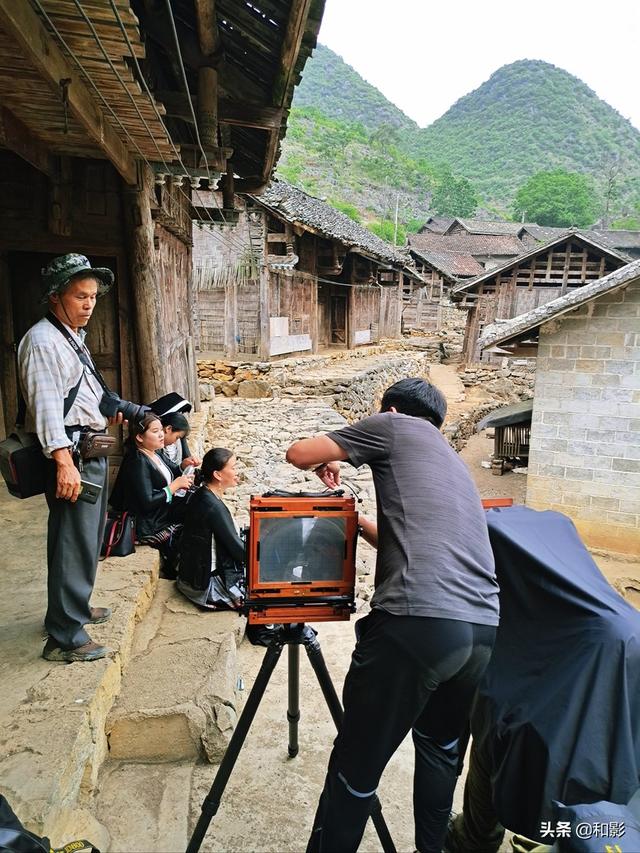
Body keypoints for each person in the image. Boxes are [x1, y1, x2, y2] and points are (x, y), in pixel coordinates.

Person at [285, 378, 500, 853]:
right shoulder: (451, 464)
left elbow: (298, 453)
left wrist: (336, 453)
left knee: (356, 765)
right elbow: (406, 539)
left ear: (392, 408)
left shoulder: (393, 425)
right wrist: (357, 517)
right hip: (481, 632)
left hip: (414, 622)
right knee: (441, 753)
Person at [17, 253, 120, 662]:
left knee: (85, 538)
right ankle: (64, 637)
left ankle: (73, 609)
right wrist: (63, 462)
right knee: (71, 541)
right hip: (70, 455)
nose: (89, 304)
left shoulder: (70, 335)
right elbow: (45, 408)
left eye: (93, 296)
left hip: (87, 450)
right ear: (56, 297)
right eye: (80, 296)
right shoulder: (42, 342)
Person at [109, 413, 193, 576]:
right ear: (140, 437)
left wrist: (184, 466)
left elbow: (174, 471)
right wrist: (173, 487)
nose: (161, 434)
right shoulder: (137, 461)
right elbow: (147, 502)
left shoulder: (155, 452)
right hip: (148, 524)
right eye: (155, 431)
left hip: (160, 514)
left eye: (161, 429)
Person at [176, 448, 245, 610]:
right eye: (233, 468)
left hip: (191, 575)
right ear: (218, 475)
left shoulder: (203, 493)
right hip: (206, 584)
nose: (236, 472)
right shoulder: (213, 506)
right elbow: (239, 551)